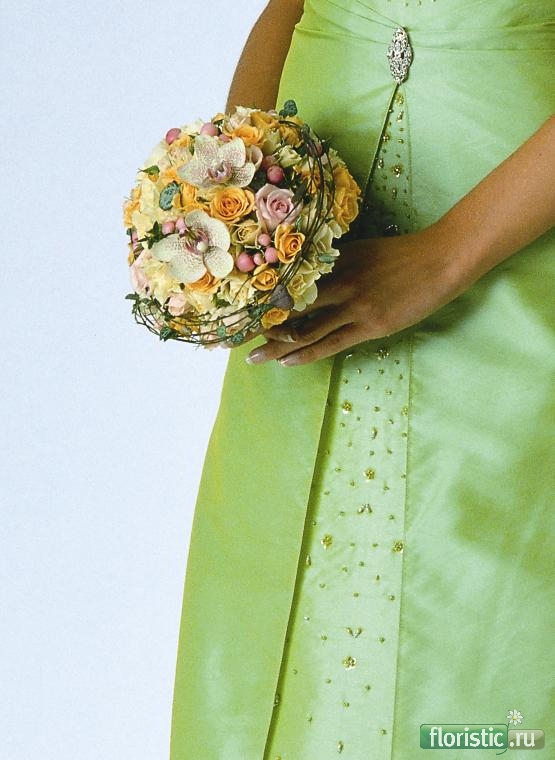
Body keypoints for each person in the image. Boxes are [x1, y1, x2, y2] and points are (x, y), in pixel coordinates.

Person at [170, 1, 555, 757]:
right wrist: (234, 178)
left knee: (490, 619)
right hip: (305, 206)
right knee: (272, 600)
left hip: (511, 207)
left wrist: (446, 254)